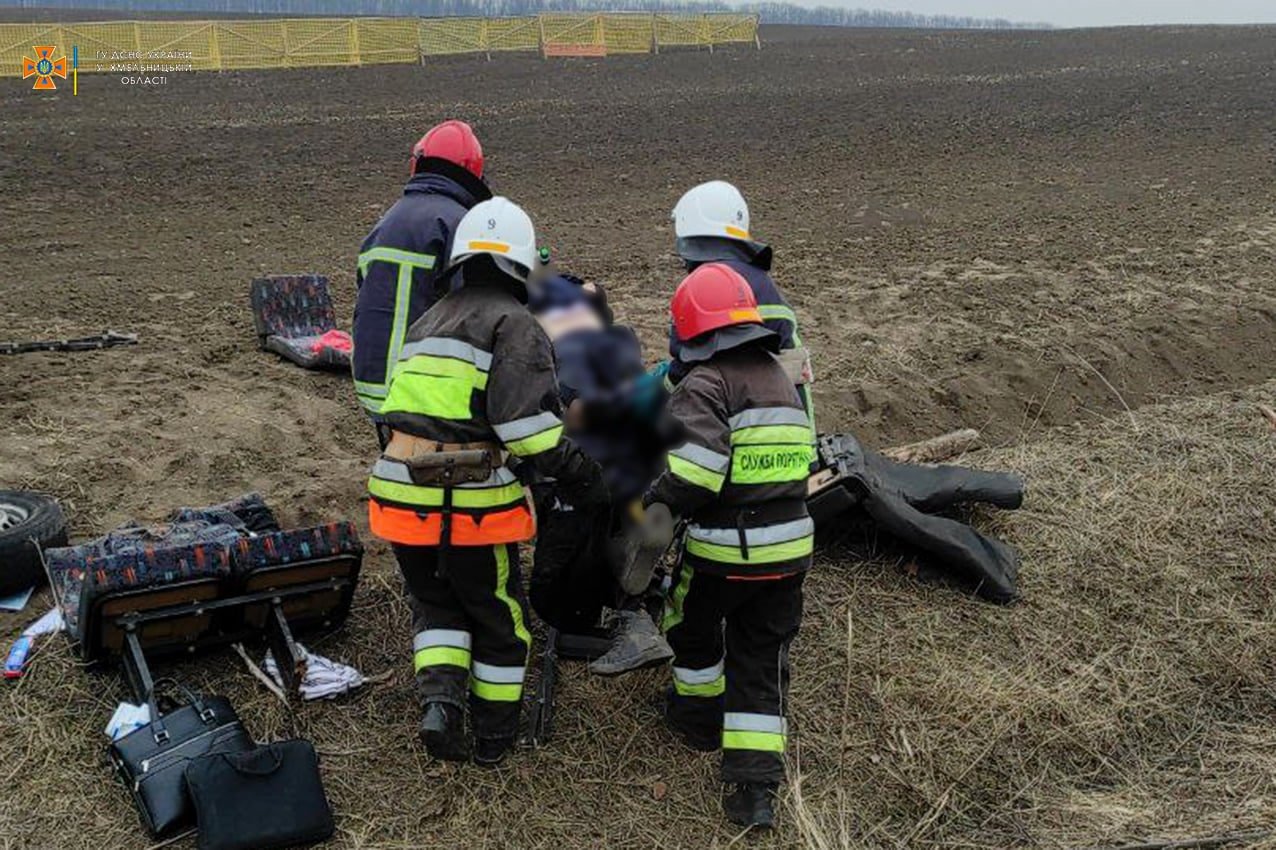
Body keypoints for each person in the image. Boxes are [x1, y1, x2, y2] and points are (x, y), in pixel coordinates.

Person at [366, 197, 607, 767]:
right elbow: (529, 432)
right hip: (467, 502)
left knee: (436, 607)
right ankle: (495, 738)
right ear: (520, 265)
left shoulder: (428, 321)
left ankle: (441, 704)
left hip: (399, 495)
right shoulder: (515, 324)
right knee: (499, 616)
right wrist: (586, 478)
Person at [642, 263, 815, 828]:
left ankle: (698, 721)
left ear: (691, 330)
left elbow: (694, 476)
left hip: (725, 549)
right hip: (790, 549)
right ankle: (754, 791)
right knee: (762, 658)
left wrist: (652, 504)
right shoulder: (781, 382)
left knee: (687, 625)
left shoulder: (707, 383)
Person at [525, 272, 674, 676]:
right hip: (643, 469)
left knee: (557, 592)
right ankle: (632, 597)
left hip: (590, 479)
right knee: (610, 540)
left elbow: (576, 413)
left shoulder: (565, 350)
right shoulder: (621, 340)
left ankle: (624, 615)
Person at [352, 119, 491, 438]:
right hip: (422, 393)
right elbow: (476, 313)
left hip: (374, 387)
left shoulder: (386, 222)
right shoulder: (459, 225)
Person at [669, 181, 815, 431]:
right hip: (792, 429)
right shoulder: (766, 285)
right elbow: (794, 366)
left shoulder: (703, 289)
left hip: (732, 430)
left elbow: (682, 372)